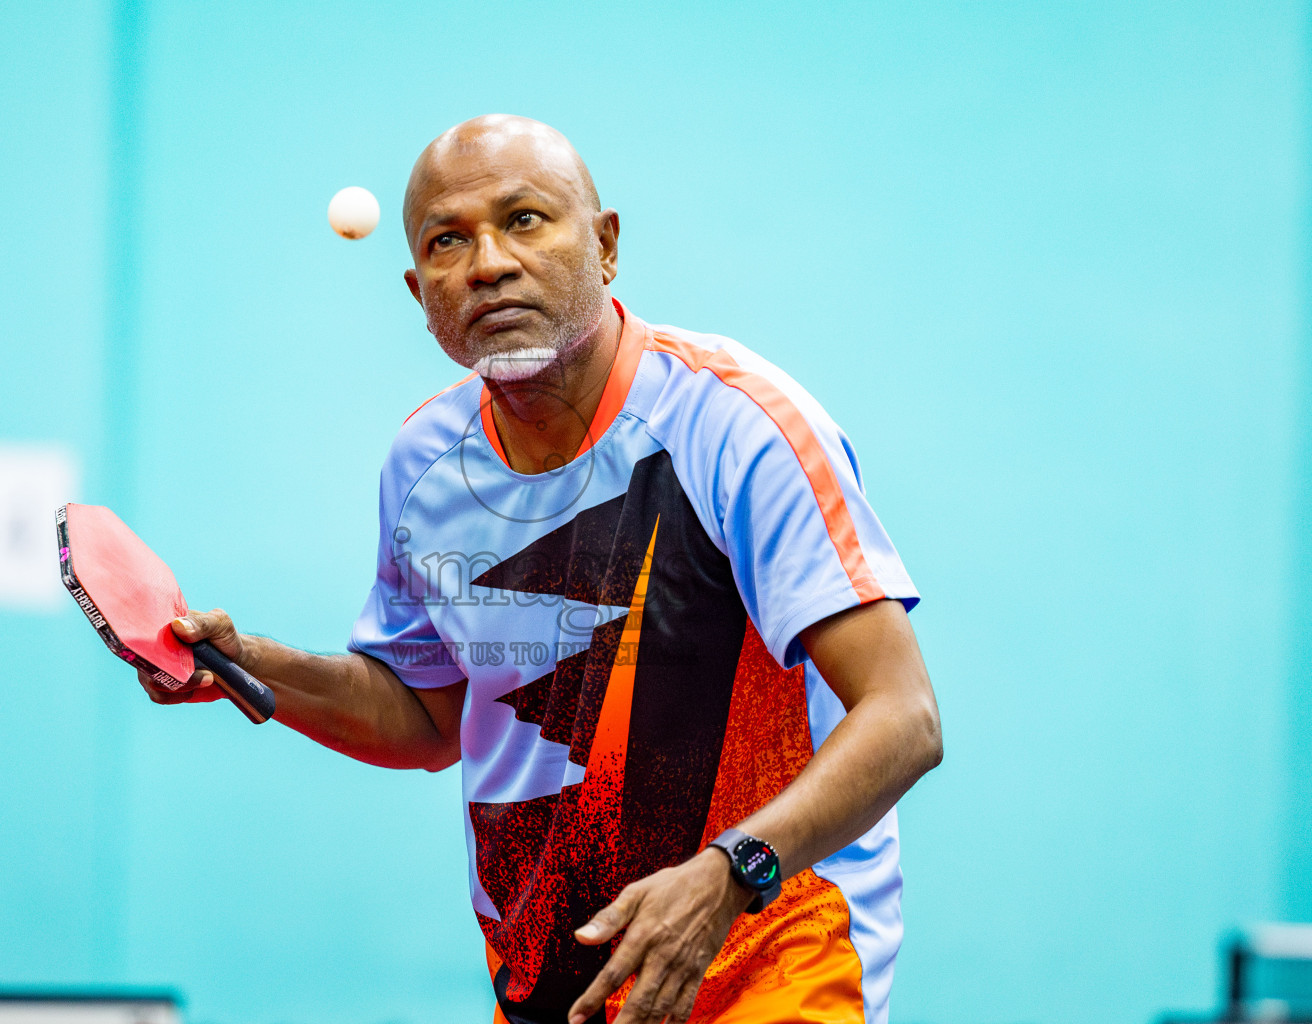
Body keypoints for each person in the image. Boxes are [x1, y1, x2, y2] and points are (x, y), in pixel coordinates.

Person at [140, 114, 942, 1024]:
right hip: (553, 979)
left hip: (769, 955)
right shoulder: (423, 465)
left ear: (604, 247)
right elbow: (425, 717)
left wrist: (728, 874)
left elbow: (903, 716)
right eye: (449, 241)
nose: (487, 263)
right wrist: (253, 663)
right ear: (420, 291)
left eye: (524, 220)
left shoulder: (738, 428)